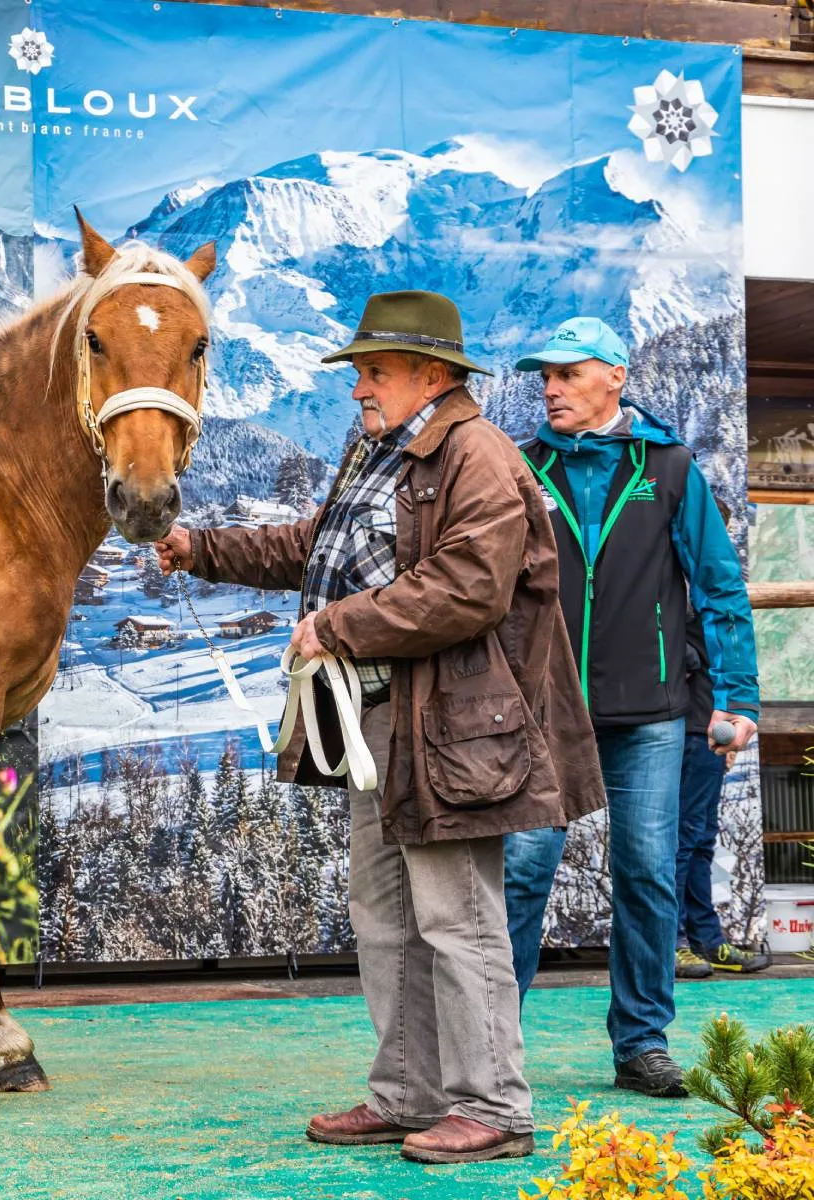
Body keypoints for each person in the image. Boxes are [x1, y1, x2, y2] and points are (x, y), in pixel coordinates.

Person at [156, 291, 604, 1165]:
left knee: (458, 919)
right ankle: (408, 1094)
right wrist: (199, 547)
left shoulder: (476, 453)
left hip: (458, 730)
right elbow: (311, 547)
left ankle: (495, 1108)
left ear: (431, 375)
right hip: (385, 724)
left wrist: (339, 625)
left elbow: (471, 585)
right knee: (387, 915)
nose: (357, 388)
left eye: (373, 371)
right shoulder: (380, 452)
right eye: (358, 372)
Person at [502, 317, 760, 1096]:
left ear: (615, 374)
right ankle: (490, 1046)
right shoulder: (522, 466)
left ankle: (641, 1042)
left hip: (648, 713)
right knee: (522, 871)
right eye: (543, 376)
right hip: (544, 709)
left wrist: (738, 696)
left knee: (647, 873)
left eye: (568, 374)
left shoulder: (670, 466)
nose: (550, 388)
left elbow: (718, 587)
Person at [675, 601, 770, 978]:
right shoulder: (670, 586)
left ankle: (707, 941)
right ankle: (673, 942)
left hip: (710, 725)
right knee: (682, 836)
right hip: (683, 724)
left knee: (701, 836)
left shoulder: (712, 592)